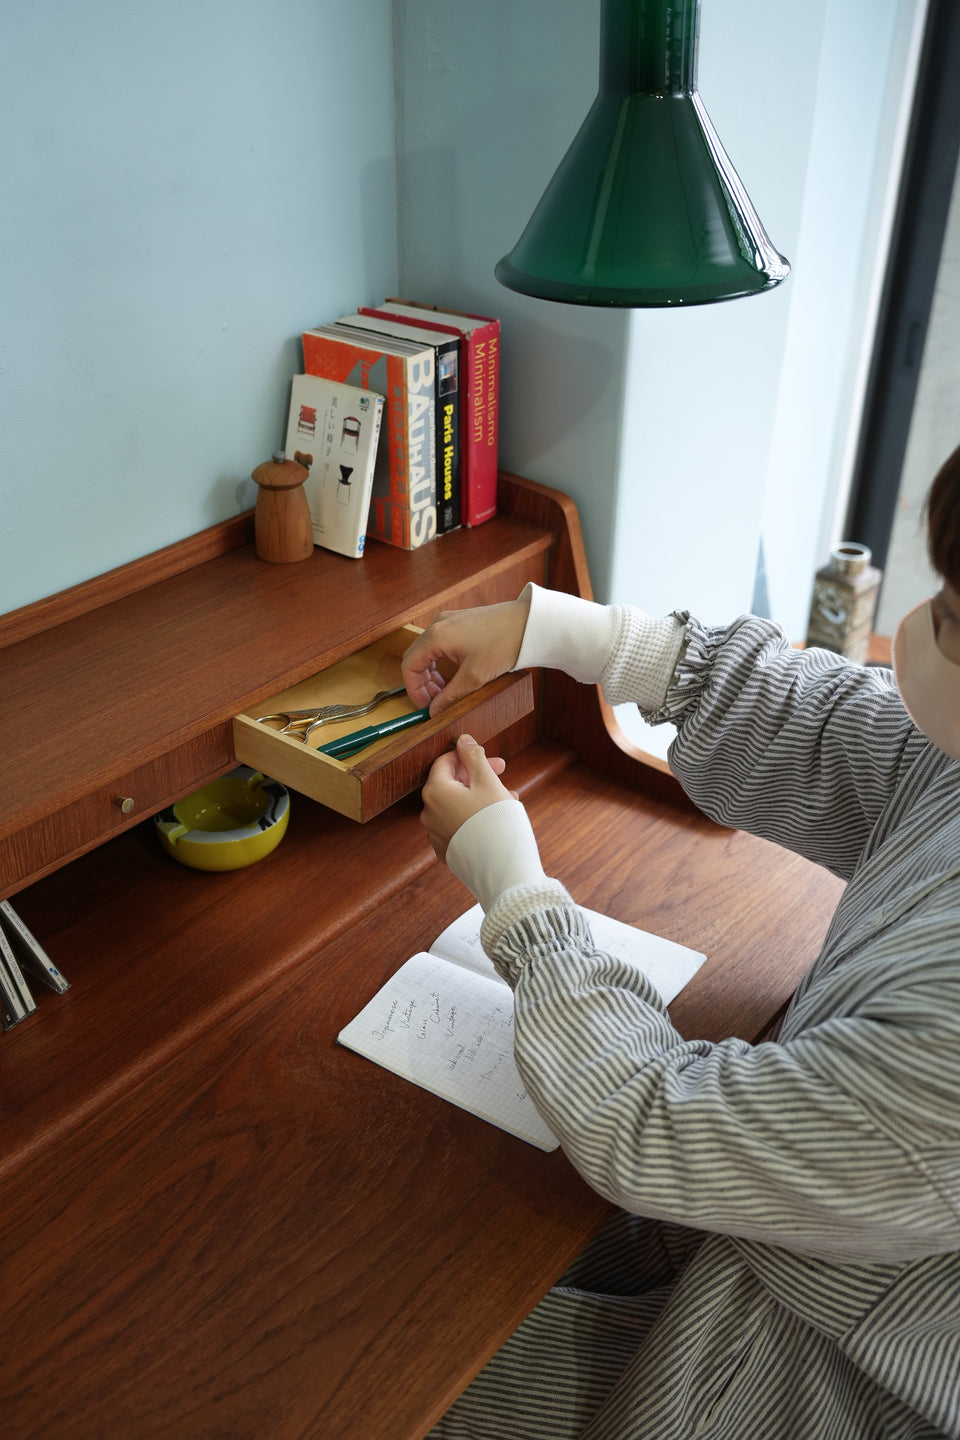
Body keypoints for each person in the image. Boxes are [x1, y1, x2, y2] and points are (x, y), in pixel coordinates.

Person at [399, 444, 960, 1440]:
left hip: (815, 1364)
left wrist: (517, 893)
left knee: (396, 1378)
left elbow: (650, 1122)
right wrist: (568, 632)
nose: (922, 624)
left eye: (952, 617)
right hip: (786, 1231)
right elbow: (848, 736)